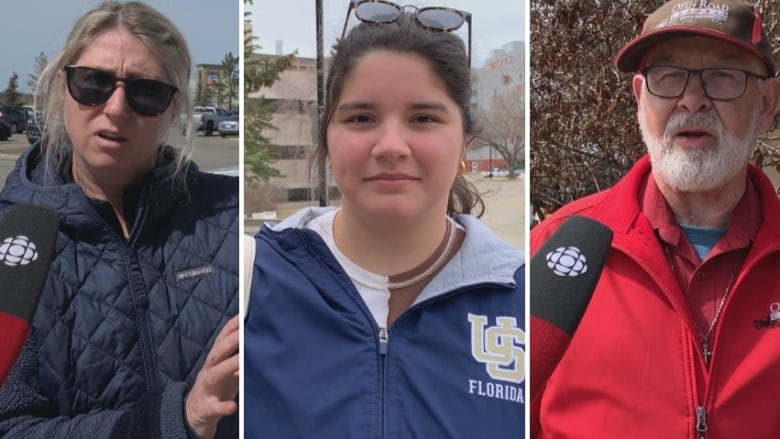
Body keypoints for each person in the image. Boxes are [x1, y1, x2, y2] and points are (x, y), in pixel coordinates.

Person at [244, 3, 525, 438]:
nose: (391, 145)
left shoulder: (527, 302)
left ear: (464, 139)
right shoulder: (250, 279)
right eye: (362, 118)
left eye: (423, 118)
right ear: (327, 136)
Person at [530, 0, 780, 437]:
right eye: (669, 76)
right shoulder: (553, 253)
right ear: (640, 99)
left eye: (722, 75)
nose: (692, 99)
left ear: (765, 105)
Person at [0, 2, 239, 438]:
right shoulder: (12, 241)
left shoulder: (229, 217)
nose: (115, 108)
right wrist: (176, 420)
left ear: (174, 108)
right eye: (94, 83)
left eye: (146, 92)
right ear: (62, 87)